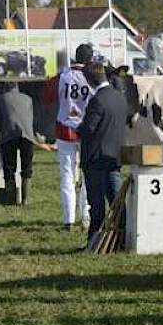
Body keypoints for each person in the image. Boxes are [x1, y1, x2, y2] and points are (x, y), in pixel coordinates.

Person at [45, 44, 94, 230]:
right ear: (90, 59)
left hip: (64, 129)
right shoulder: (92, 77)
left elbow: (47, 97)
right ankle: (87, 216)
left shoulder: (62, 76)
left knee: (67, 175)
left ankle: (68, 219)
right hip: (86, 130)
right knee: (87, 174)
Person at [77, 62, 127, 247]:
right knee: (117, 201)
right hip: (114, 156)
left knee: (96, 203)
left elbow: (89, 128)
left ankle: (94, 240)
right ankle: (122, 237)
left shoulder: (97, 100)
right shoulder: (119, 98)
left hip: (95, 158)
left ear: (89, 80)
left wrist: (78, 127)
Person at [0, 82, 36, 205]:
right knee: (26, 167)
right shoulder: (28, 98)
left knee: (9, 167)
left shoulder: (1, 99)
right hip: (27, 135)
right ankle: (25, 198)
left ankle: (10, 198)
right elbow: (31, 118)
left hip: (8, 134)